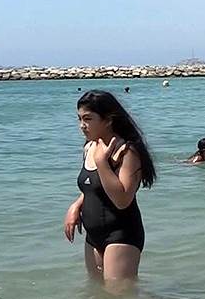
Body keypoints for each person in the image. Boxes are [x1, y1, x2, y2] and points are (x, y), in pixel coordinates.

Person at [64, 90, 157, 285]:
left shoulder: (127, 151)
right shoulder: (89, 147)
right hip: (93, 235)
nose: (82, 125)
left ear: (107, 120)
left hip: (121, 233)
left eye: (88, 119)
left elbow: (122, 199)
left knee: (120, 295)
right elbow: (94, 187)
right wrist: (76, 205)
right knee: (97, 293)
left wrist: (102, 163)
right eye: (79, 119)